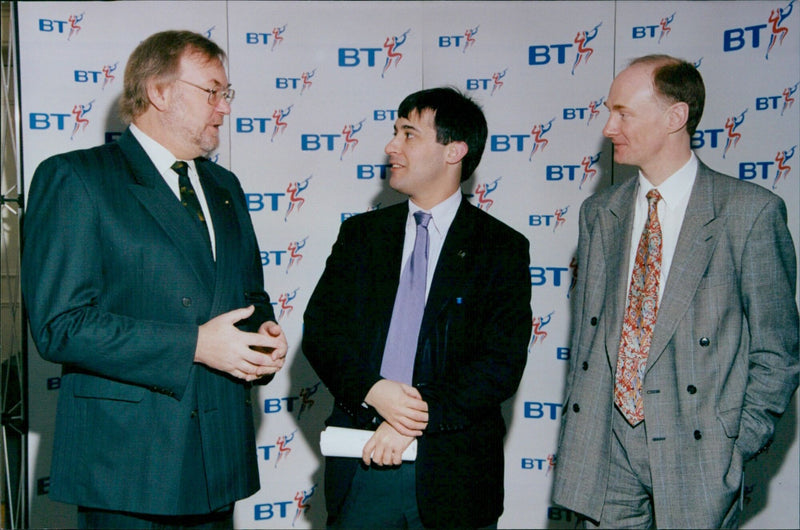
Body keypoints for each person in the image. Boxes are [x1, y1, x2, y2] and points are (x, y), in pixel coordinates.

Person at [22, 30, 288, 529]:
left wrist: (263, 339)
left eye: (226, 95)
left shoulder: (225, 186)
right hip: (129, 466)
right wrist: (194, 345)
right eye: (212, 92)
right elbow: (61, 324)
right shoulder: (76, 178)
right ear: (160, 92)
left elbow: (250, 295)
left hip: (218, 461)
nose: (224, 109)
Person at [552, 54, 799, 528]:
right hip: (607, 451)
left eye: (624, 112)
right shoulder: (599, 213)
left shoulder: (749, 213)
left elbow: (778, 352)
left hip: (700, 453)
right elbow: (587, 342)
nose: (608, 127)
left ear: (675, 116)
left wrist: (735, 442)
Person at [302, 87, 531, 528]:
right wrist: (373, 390)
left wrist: (410, 417)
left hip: (455, 473)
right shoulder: (361, 237)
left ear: (454, 151)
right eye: (395, 132)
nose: (391, 146)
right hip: (363, 461)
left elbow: (499, 365)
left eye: (409, 134)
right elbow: (322, 332)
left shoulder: (500, 248)